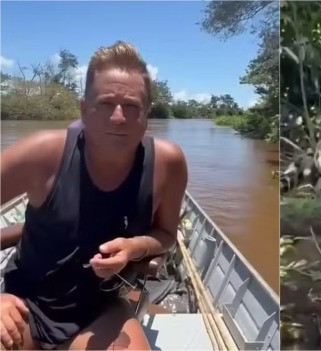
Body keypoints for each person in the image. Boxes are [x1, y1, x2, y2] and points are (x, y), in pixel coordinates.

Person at [0, 41, 188, 350]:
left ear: (146, 114)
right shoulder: (42, 154)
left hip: (100, 309)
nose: (118, 117)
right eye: (105, 104)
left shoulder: (167, 165)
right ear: (84, 110)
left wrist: (135, 247)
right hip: (24, 303)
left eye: (131, 106)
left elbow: (167, 234)